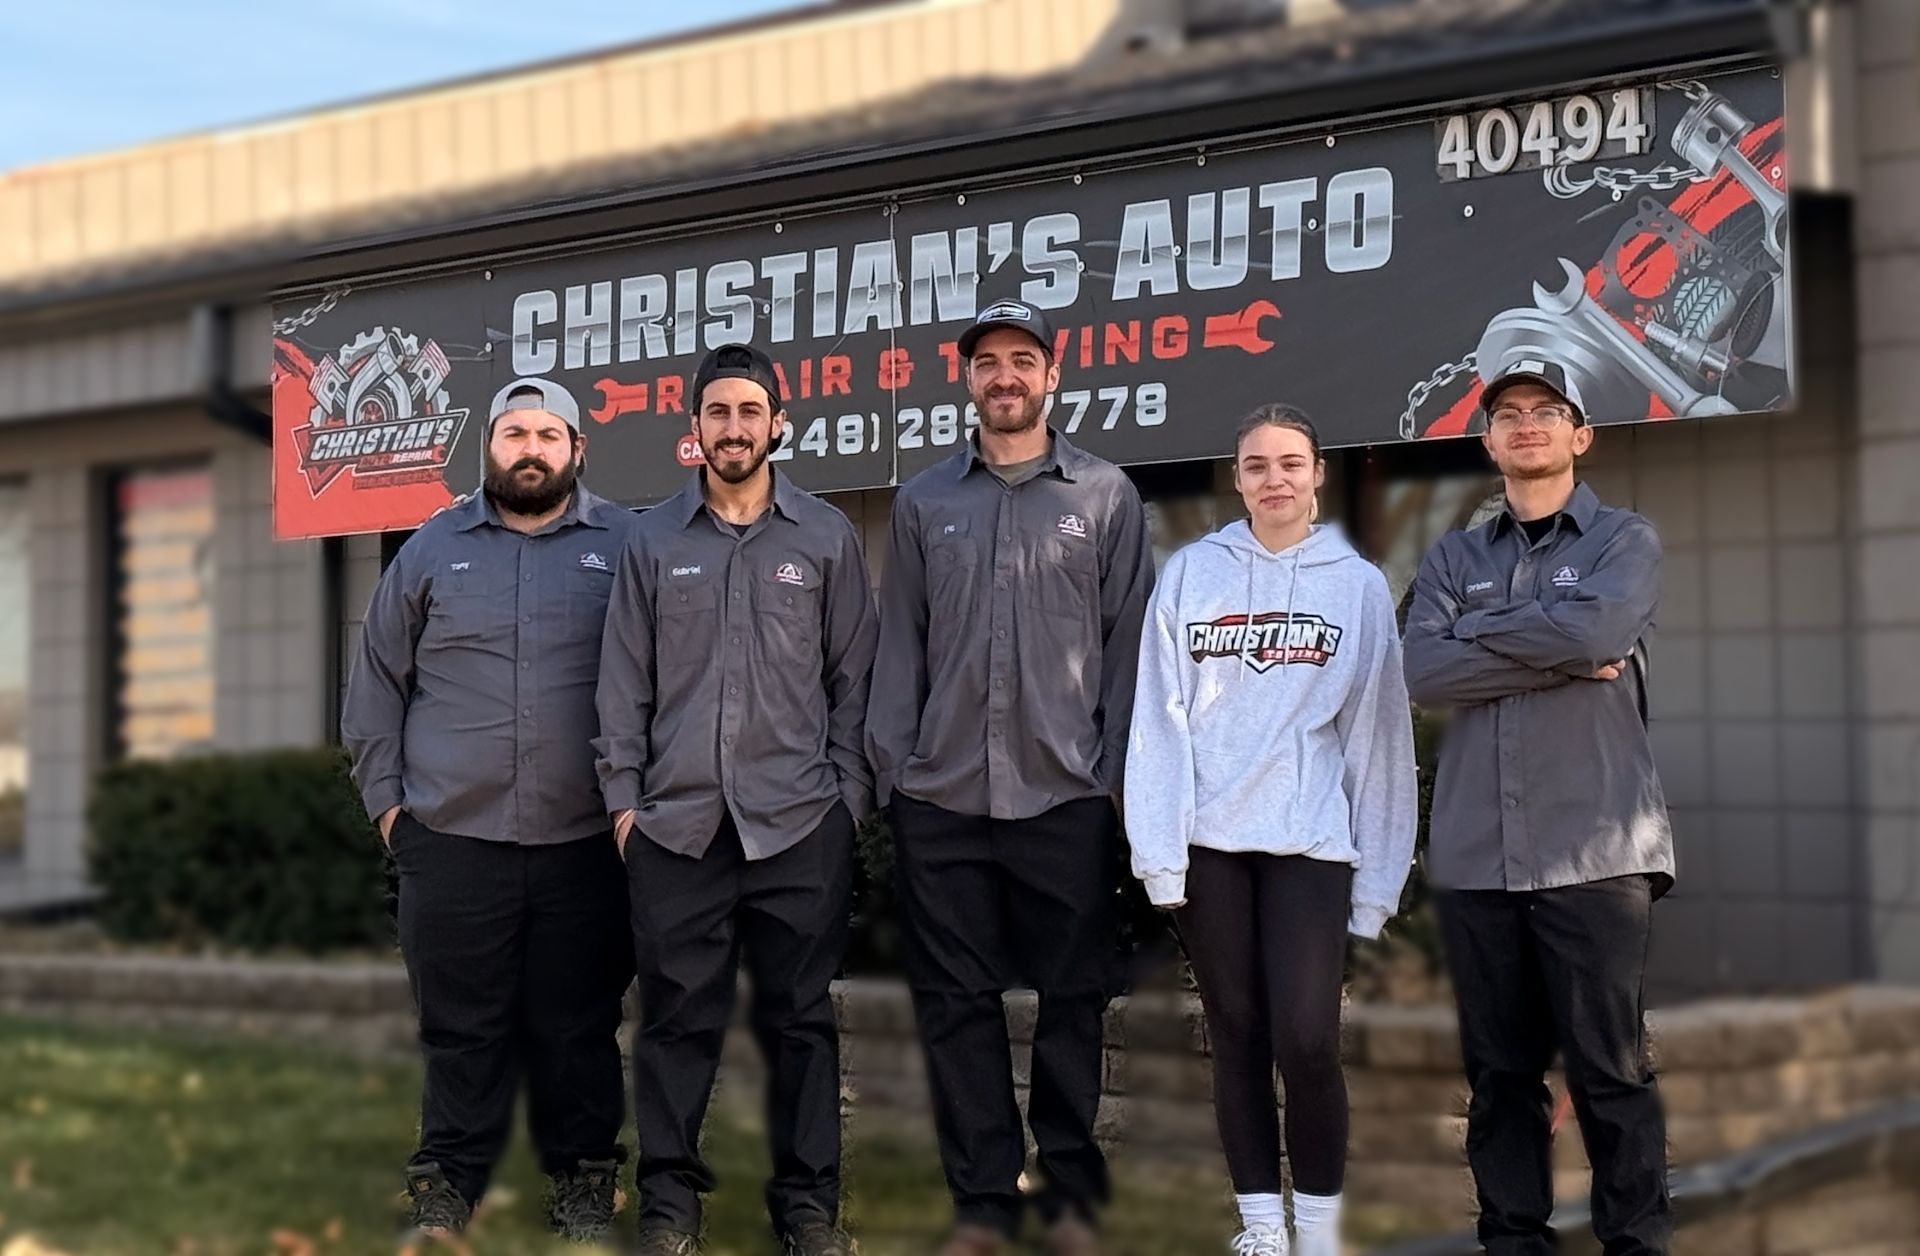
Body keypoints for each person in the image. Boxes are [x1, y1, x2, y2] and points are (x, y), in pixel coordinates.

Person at [867, 298, 1155, 1256]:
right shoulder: (922, 503)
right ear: (970, 380)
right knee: (956, 1005)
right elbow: (898, 646)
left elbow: (1126, 654)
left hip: (1064, 794)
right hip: (941, 796)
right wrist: (895, 772)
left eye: (1020, 360)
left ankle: (1070, 1194)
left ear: (1051, 375)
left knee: (1073, 998)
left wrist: (1114, 781)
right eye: (987, 362)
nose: (1004, 377)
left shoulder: (1106, 497)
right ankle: (985, 1201)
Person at [595, 343, 879, 1256]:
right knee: (677, 1021)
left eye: (749, 412)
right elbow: (621, 687)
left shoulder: (825, 537)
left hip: (799, 821)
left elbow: (855, 682)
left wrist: (846, 801)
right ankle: (670, 1203)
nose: (734, 428)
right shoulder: (651, 541)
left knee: (801, 1021)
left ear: (777, 423)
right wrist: (624, 808)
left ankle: (807, 1210)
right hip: (676, 827)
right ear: (695, 431)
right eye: (717, 413)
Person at [342, 378, 636, 1241]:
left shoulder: (628, 546)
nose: (532, 448)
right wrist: (394, 816)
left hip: (586, 840)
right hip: (452, 840)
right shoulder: (431, 549)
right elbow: (373, 693)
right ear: (490, 448)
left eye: (550, 433)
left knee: (580, 1021)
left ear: (578, 449)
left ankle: (584, 1179)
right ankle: (446, 1183)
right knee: (459, 1026)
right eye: (515, 432)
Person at [1124, 405, 1416, 1256]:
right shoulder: (1191, 574)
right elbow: (1159, 717)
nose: (1275, 479)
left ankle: (1319, 1233)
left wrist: (1377, 884)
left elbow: (1378, 739)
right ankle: (1261, 1226)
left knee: (1308, 1035)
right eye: (1257, 465)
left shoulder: (1356, 585)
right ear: (1238, 478)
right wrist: (1161, 853)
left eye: (1291, 463)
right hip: (1211, 845)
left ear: (1318, 473)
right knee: (1239, 1032)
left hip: (1310, 846)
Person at [1402, 359, 1676, 1255]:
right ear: (1487, 441)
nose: (1527, 424)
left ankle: (1636, 1243)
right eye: (1509, 414)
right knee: (1499, 1076)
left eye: (1547, 411)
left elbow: (1600, 632)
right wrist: (1554, 650)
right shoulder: (1451, 556)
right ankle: (1513, 1241)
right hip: (1480, 854)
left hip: (1596, 848)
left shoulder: (1624, 541)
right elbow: (1422, 669)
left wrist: (1480, 636)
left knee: (1611, 1073)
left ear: (1579, 434)